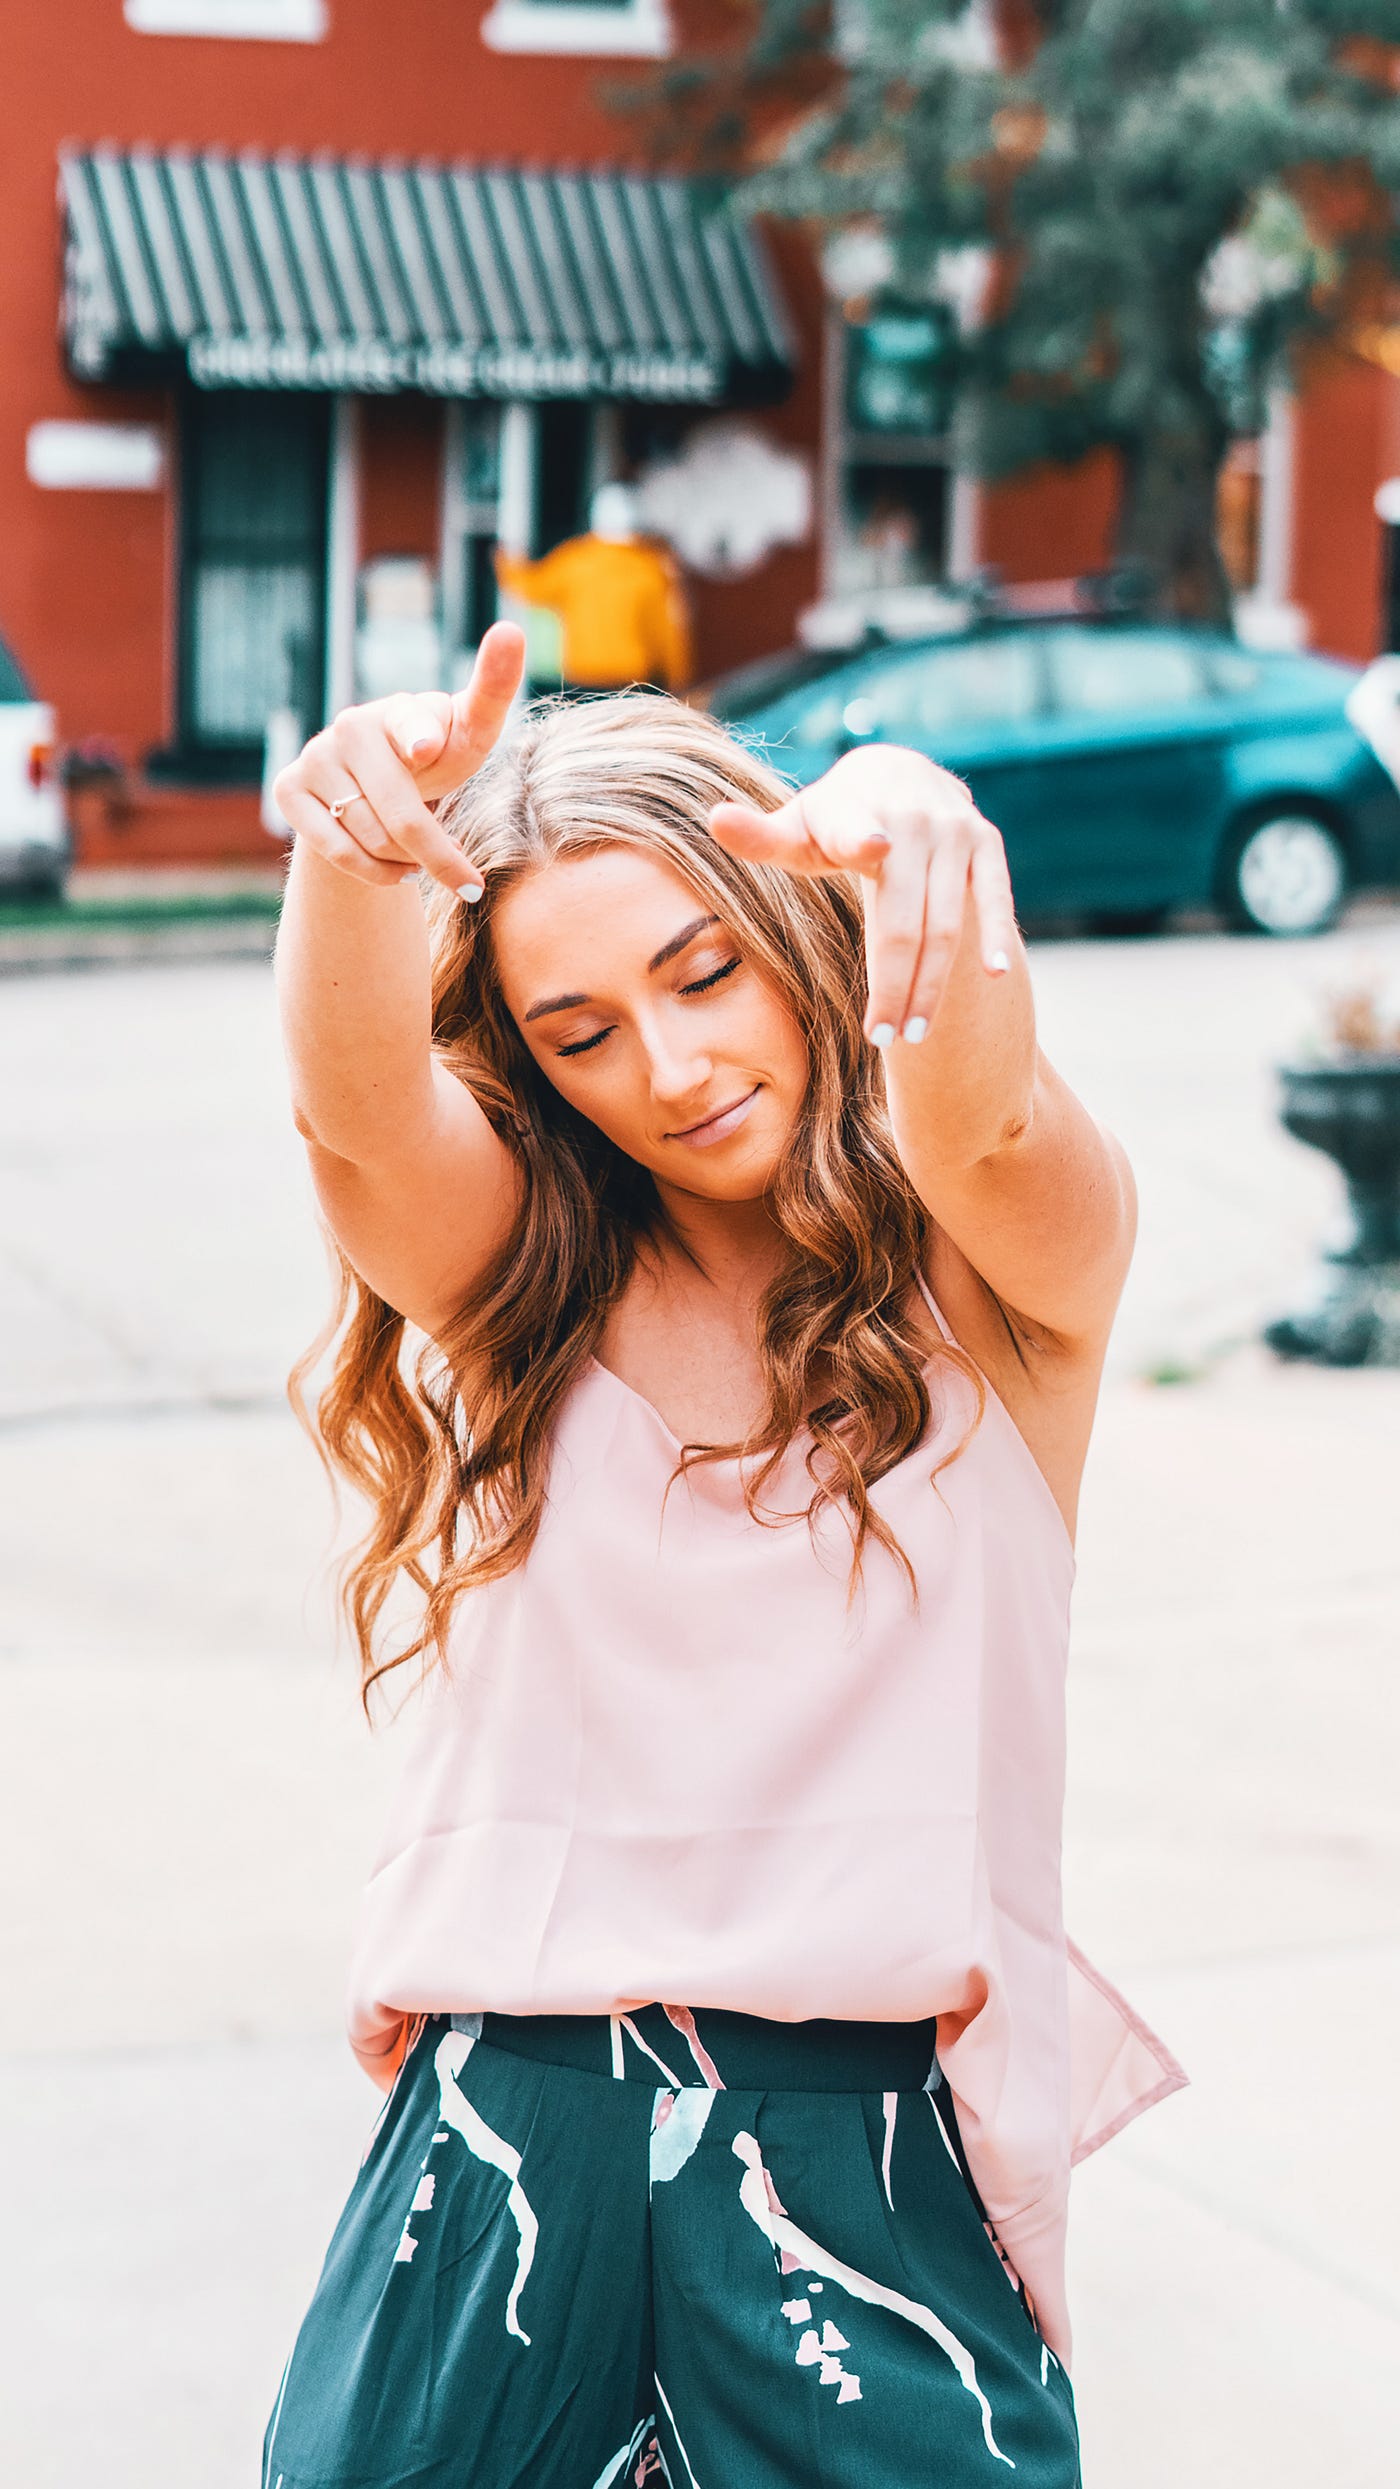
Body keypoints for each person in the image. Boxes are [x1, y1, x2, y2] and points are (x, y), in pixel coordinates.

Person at [262, 619, 1188, 2488]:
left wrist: (930, 829)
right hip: (507, 2145)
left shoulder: (1003, 1290)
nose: (667, 1067)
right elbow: (357, 1110)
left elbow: (984, 1109)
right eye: (578, 1032)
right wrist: (353, 856)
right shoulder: (524, 1285)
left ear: (797, 935)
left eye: (702, 972)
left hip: (865, 2171)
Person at [493, 481, 694, 695]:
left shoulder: (577, 559)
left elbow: (530, 588)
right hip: (633, 683)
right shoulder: (653, 570)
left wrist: (506, 559)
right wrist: (678, 680)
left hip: (583, 679)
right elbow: (668, 631)